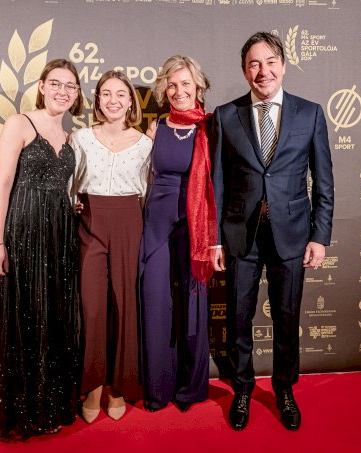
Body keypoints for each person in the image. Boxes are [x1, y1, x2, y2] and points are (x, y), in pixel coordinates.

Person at [210, 32, 334, 431]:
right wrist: (215, 239)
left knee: (286, 316)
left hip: (292, 233)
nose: (262, 71)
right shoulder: (225, 116)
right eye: (253, 64)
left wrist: (320, 236)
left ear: (283, 65)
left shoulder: (310, 113)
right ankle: (242, 388)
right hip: (239, 235)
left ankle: (284, 389)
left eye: (269, 62)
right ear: (244, 70)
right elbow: (216, 183)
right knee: (238, 318)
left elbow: (324, 181)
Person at [0, 58, 84, 439]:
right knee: (26, 317)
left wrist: (72, 203)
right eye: (55, 83)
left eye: (70, 86)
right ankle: (22, 411)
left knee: (54, 319)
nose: (62, 91)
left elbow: (64, 186)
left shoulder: (70, 136)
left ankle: (50, 406)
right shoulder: (19, 124)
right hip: (24, 232)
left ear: (77, 94)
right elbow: (2, 184)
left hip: (60, 235)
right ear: (41, 86)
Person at [70, 71, 152, 422]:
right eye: (106, 93)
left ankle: (119, 386)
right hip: (90, 222)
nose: (113, 100)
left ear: (131, 101)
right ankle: (92, 386)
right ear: (97, 100)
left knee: (125, 305)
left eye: (121, 94)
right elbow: (70, 184)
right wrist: (75, 203)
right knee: (92, 308)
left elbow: (148, 190)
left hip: (129, 222)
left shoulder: (146, 144)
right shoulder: (80, 138)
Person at [139, 55, 216, 413]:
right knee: (155, 299)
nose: (179, 91)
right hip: (156, 223)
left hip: (195, 226)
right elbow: (139, 177)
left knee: (193, 301)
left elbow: (218, 185)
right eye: (172, 85)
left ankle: (191, 389)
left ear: (198, 86)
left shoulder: (209, 129)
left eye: (186, 83)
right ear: (163, 89)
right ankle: (158, 389)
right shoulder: (155, 130)